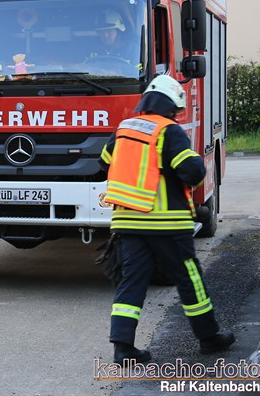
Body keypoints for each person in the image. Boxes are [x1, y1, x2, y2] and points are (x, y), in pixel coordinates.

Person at [100, 75, 234, 365]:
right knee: (190, 280)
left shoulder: (124, 128)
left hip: (127, 222)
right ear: (171, 105)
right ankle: (209, 337)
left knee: (132, 282)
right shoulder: (168, 130)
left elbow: (104, 161)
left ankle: (123, 348)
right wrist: (197, 162)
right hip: (167, 223)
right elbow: (191, 171)